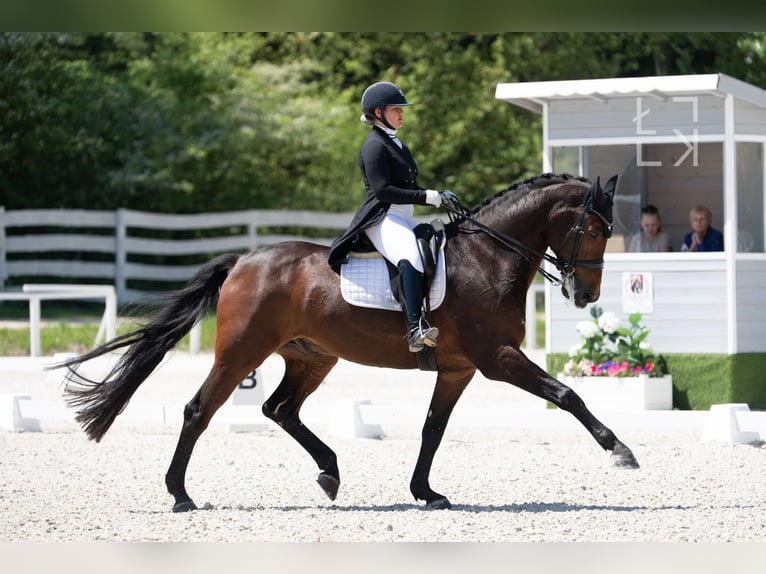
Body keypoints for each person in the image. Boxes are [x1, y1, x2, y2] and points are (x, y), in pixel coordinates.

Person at [327, 81, 455, 353]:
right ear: (378, 112)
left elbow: (409, 188)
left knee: (433, 245)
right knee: (409, 255)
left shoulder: (398, 145)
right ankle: (415, 330)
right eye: (396, 109)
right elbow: (383, 191)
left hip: (403, 217)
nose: (401, 114)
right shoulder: (374, 146)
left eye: (402, 110)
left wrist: (439, 196)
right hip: (382, 218)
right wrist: (426, 197)